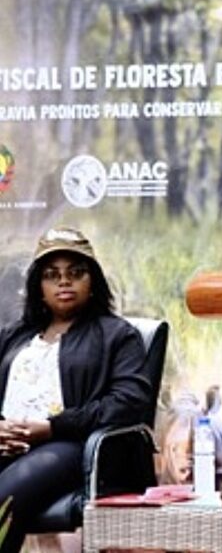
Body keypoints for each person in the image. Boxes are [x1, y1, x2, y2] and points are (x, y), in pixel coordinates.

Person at [0, 226, 151, 553]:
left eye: (75, 273)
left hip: (70, 446)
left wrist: (53, 427)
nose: (64, 281)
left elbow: (129, 403)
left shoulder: (117, 336)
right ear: (38, 287)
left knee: (2, 501)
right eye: (52, 275)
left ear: (92, 281)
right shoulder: (14, 337)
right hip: (6, 443)